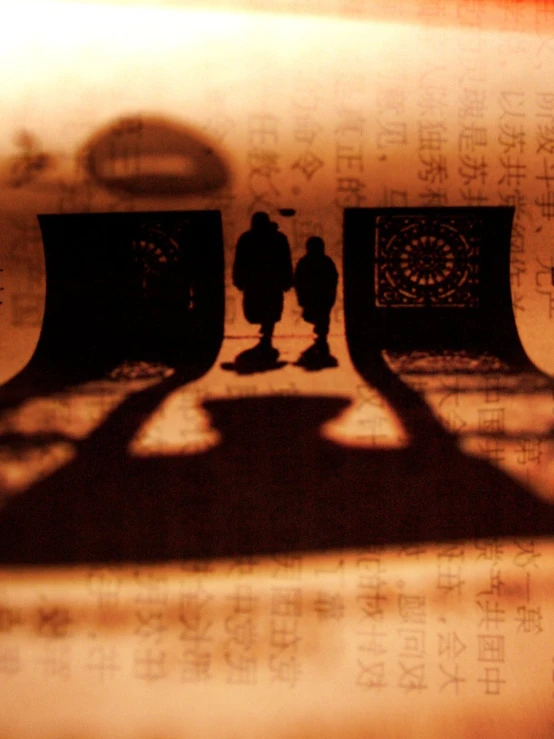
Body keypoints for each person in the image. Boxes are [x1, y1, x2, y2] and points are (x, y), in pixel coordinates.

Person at [233, 212, 293, 350]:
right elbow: (285, 261)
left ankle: (266, 329)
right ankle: (267, 329)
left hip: (255, 281)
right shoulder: (278, 238)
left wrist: (239, 279)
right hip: (272, 281)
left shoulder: (247, 238)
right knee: (270, 307)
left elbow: (240, 261)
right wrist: (287, 279)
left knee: (259, 307)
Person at [293, 236, 338, 353]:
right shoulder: (326, 261)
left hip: (314, 295)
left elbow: (298, 279)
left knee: (317, 315)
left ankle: (321, 333)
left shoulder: (304, 262)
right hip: (322, 295)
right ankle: (321, 332)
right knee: (320, 315)